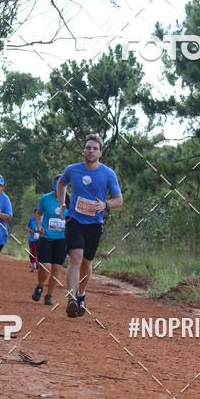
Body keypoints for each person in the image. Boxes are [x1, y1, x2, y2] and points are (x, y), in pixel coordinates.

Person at [57, 134, 122, 317]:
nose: (91, 151)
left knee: (86, 262)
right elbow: (61, 184)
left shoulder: (108, 174)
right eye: (88, 148)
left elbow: (119, 200)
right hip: (75, 220)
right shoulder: (72, 170)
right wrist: (63, 203)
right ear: (83, 151)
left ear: (100, 152)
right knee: (75, 258)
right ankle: (71, 299)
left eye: (95, 148)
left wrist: (105, 205)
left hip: (94, 223)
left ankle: (81, 294)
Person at [31, 175, 67, 306]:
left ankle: (49, 295)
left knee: (57, 268)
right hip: (46, 237)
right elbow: (39, 214)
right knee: (45, 266)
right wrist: (39, 226)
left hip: (62, 239)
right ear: (55, 185)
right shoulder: (45, 198)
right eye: (58, 184)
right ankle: (40, 286)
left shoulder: (71, 200)